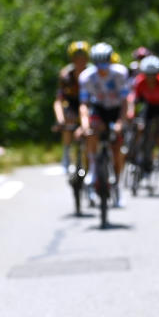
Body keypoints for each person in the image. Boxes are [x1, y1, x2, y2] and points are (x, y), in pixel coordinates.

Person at [78, 42, 130, 205]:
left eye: (105, 61)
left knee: (117, 150)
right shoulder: (86, 77)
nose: (102, 66)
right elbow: (84, 105)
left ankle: (117, 185)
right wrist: (85, 125)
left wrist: (121, 122)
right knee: (92, 133)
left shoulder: (120, 73)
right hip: (98, 109)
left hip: (115, 110)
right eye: (98, 62)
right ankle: (93, 170)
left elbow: (125, 101)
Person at [127, 54, 159, 171]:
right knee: (141, 128)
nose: (150, 78)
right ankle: (139, 152)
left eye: (153, 75)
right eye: (148, 75)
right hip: (148, 106)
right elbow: (134, 98)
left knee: (157, 133)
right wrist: (131, 111)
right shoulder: (140, 81)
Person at [54, 41, 91, 173]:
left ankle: (90, 158)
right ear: (72, 59)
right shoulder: (66, 75)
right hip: (72, 105)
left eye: (83, 58)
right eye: (76, 58)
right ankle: (66, 154)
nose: (80, 61)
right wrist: (60, 119)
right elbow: (58, 101)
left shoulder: (92, 74)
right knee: (67, 121)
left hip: (89, 105)